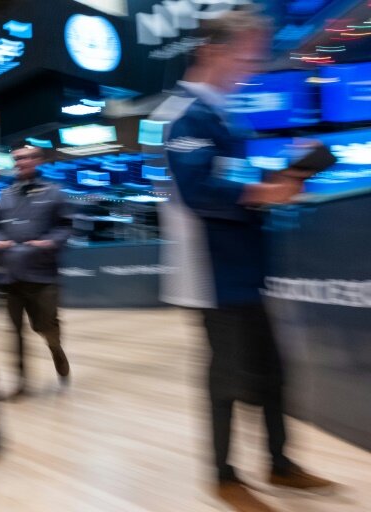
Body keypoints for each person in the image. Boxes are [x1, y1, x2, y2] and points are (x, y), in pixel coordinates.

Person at [158, 9, 334, 510]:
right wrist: (265, 191)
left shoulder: (224, 116)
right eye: (246, 55)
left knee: (273, 373)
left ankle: (279, 464)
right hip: (211, 277)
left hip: (244, 270)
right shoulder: (183, 116)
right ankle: (224, 475)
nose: (251, 67)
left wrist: (280, 183)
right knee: (228, 378)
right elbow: (198, 191)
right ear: (214, 51)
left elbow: (234, 184)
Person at [0, 145, 71, 400]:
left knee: (46, 326)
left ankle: (56, 350)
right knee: (15, 331)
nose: (20, 162)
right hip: (11, 275)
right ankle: (20, 382)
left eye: (25, 158)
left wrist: (50, 242)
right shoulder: (6, 195)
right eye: (17, 159)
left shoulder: (54, 193)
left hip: (42, 275)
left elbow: (65, 226)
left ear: (38, 160)